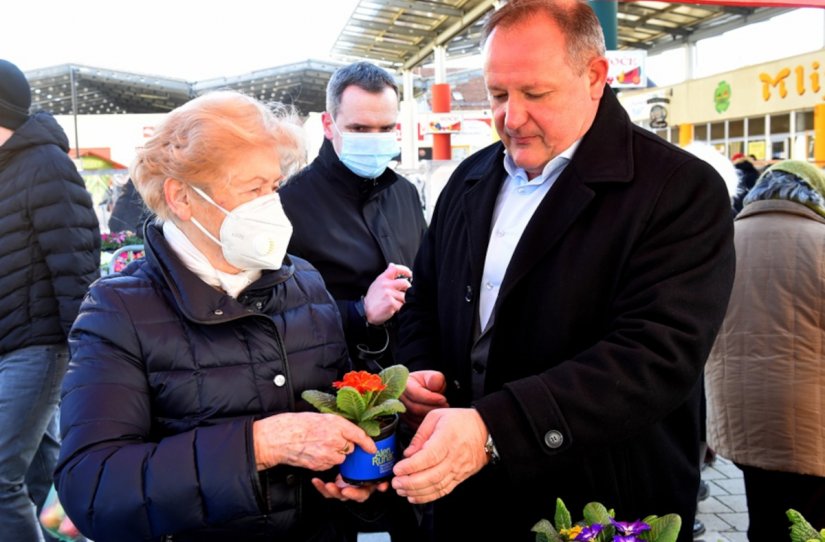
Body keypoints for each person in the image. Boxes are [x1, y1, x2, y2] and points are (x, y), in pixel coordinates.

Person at [390, 2, 735, 541]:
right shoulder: (468, 181)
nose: (511, 116)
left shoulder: (679, 190)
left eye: (535, 94)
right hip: (467, 500)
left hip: (599, 506)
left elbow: (655, 354)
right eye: (498, 94)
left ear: (595, 76)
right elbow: (426, 297)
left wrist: (493, 427)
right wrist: (418, 369)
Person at [54, 91, 387, 542]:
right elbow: (94, 488)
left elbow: (337, 408)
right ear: (182, 198)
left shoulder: (305, 282)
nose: (271, 204)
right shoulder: (119, 312)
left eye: (273, 187)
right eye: (252, 189)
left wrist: (353, 473)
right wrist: (259, 447)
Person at [0, 58, 100, 542]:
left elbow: (76, 259)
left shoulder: (45, 165)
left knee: (0, 478)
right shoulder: (7, 168)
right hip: (10, 343)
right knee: (39, 474)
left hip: (38, 346)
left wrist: (87, 354)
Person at [279, 61, 426, 372]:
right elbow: (275, 315)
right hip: (338, 390)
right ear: (329, 124)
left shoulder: (405, 193)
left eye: (385, 128)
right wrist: (360, 312)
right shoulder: (287, 203)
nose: (374, 138)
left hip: (412, 377)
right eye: (359, 128)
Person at [705, 160, 825, 541]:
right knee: (809, 523)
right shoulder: (820, 241)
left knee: (764, 513)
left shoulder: (723, 240)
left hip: (739, 411)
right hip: (813, 419)